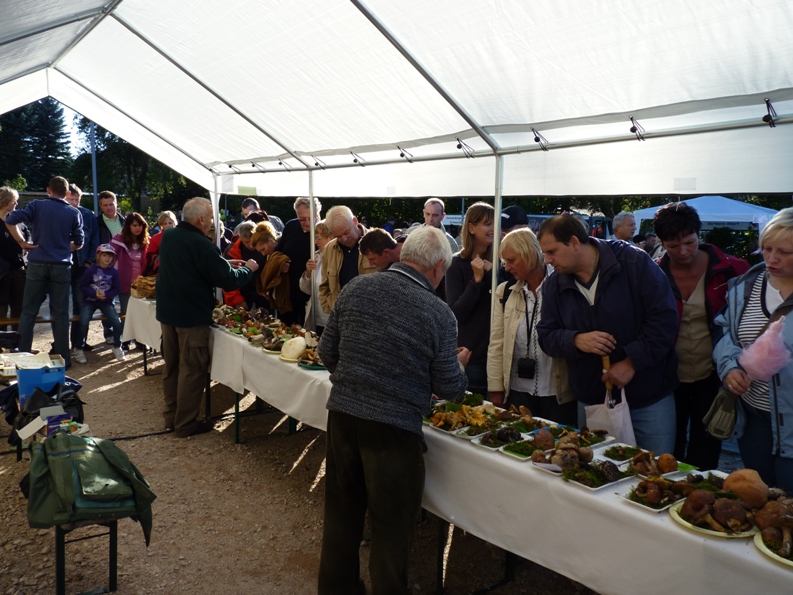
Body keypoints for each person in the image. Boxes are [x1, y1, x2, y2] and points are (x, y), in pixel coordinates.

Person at [316, 225, 470, 595]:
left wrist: (355, 381)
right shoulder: (439, 313)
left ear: (404, 256)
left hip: (343, 417)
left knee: (341, 514)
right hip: (394, 430)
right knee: (391, 527)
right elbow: (450, 389)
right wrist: (459, 365)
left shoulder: (357, 287)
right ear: (437, 269)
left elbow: (325, 352)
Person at [536, 215, 679, 454]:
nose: (548, 261)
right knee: (599, 477)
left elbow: (665, 319)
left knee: (658, 477)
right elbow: (546, 335)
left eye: (552, 252)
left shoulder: (634, 263)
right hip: (592, 400)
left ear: (573, 242)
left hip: (649, 397)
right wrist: (575, 340)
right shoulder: (554, 285)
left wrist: (632, 362)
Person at [654, 202, 749, 470]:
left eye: (689, 242)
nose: (683, 251)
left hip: (715, 375)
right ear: (661, 243)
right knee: (667, 450)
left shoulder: (734, 270)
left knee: (706, 448)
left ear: (699, 234)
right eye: (673, 246)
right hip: (668, 377)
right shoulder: (652, 274)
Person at [156, 197, 259, 437]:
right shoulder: (201, 243)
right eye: (211, 218)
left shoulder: (169, 236)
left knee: (171, 367)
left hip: (168, 313)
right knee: (192, 370)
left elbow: (193, 266)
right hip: (191, 316)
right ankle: (186, 424)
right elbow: (227, 280)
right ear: (201, 219)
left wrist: (222, 262)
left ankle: (172, 418)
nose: (212, 222)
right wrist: (249, 269)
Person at [713, 207, 793, 492]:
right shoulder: (744, 286)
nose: (772, 258)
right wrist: (730, 367)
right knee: (759, 500)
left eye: (785, 252)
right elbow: (725, 334)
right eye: (767, 248)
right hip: (753, 420)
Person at [487, 228, 577, 425]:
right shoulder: (505, 292)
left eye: (512, 260)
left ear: (530, 255)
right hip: (517, 392)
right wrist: (495, 389)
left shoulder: (565, 286)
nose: (507, 267)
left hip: (558, 392)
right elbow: (496, 343)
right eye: (505, 262)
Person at [5, 176, 84, 368]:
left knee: (29, 312)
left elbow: (10, 220)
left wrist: (22, 242)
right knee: (61, 314)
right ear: (67, 194)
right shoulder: (73, 212)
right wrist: (65, 248)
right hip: (61, 265)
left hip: (38, 263)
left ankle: (22, 358)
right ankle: (63, 358)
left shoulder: (37, 205)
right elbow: (79, 242)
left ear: (48, 190)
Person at [446, 202, 495, 394]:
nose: (492, 229)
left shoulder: (502, 264)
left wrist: (493, 276)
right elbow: (456, 313)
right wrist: (476, 281)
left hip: (500, 355)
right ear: (472, 228)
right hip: (473, 354)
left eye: (494, 224)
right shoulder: (456, 264)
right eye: (487, 224)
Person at [319, 205, 377, 314]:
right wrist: (329, 308)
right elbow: (324, 286)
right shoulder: (329, 249)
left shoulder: (378, 242)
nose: (344, 239)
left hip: (372, 316)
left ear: (355, 221)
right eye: (338, 236)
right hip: (341, 316)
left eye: (346, 232)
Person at [65, 184, 99, 362]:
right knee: (60, 307)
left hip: (82, 266)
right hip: (62, 266)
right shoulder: (59, 213)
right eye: (71, 199)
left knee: (82, 305)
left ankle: (79, 343)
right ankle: (60, 344)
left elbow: (95, 240)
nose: (74, 203)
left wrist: (89, 262)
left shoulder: (88, 215)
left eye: (77, 200)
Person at [275, 197, 321, 325]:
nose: (306, 223)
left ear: (317, 214)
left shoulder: (324, 231)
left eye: (310, 218)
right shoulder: (291, 226)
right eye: (302, 219)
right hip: (288, 290)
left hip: (311, 294)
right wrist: (281, 263)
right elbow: (278, 251)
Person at [77, 244, 126, 362]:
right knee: (83, 321)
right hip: (90, 301)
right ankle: (79, 348)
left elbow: (117, 288)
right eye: (104, 255)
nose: (107, 258)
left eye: (110, 256)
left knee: (117, 322)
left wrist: (107, 295)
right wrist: (94, 293)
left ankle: (117, 346)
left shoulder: (113, 272)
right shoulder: (91, 270)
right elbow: (83, 286)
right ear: (99, 256)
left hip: (106, 302)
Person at [111, 212, 149, 343]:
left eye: (140, 225)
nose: (138, 228)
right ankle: (124, 340)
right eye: (135, 225)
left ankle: (140, 341)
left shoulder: (145, 240)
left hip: (141, 284)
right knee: (125, 312)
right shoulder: (119, 240)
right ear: (128, 226)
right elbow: (108, 255)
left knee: (141, 312)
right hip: (124, 281)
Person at [222, 221, 267, 309]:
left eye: (253, 241)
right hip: (242, 292)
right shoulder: (231, 251)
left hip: (262, 292)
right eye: (247, 242)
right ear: (241, 238)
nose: (251, 245)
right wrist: (238, 300)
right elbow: (228, 279)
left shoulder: (266, 245)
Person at [300, 221, 334, 333]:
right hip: (315, 317)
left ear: (331, 237)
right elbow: (306, 290)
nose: (316, 242)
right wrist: (308, 273)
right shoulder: (315, 256)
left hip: (332, 319)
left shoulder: (339, 258)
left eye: (319, 238)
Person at [0, 187, 26, 331]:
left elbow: (26, 234)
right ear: (5, 201)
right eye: (13, 201)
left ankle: (18, 344)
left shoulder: (16, 218)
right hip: (1, 274)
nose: (16, 203)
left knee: (19, 308)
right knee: (1, 310)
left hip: (18, 270)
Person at [144, 211, 177, 276]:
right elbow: (149, 256)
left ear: (174, 223)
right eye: (165, 224)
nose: (168, 226)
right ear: (161, 225)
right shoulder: (155, 239)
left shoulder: (181, 236)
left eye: (170, 223)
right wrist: (159, 259)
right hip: (161, 273)